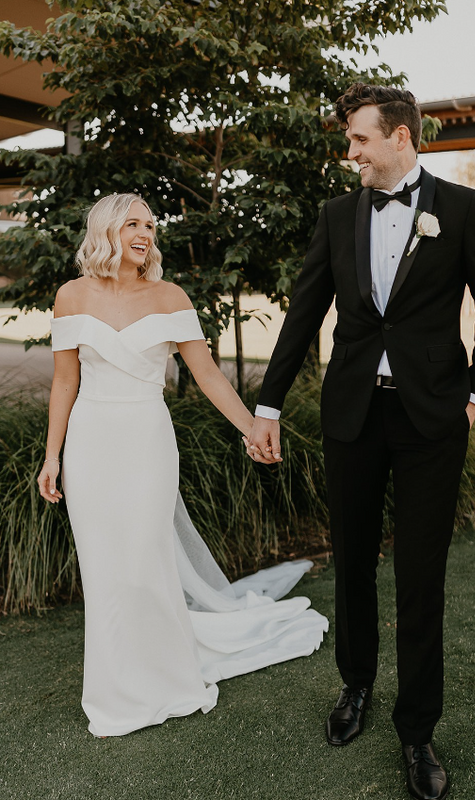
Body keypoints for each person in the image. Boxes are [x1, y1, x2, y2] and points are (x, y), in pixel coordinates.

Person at [245, 84, 475, 800]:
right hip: (352, 414)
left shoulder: (459, 209)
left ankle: (417, 730)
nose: (351, 151)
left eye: (360, 139)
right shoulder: (336, 215)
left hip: (432, 421)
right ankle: (355, 686)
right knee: (354, 560)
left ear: (399, 137)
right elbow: (304, 311)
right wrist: (266, 406)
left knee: (420, 577)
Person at [37, 192, 328, 738]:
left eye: (150, 225)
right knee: (104, 569)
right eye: (132, 224)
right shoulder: (71, 296)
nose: (145, 233)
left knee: (146, 557)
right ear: (106, 230)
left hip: (147, 440)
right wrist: (52, 456)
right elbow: (65, 381)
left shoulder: (170, 295)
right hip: (90, 443)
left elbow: (208, 374)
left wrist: (251, 427)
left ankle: (167, 677)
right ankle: (115, 692)